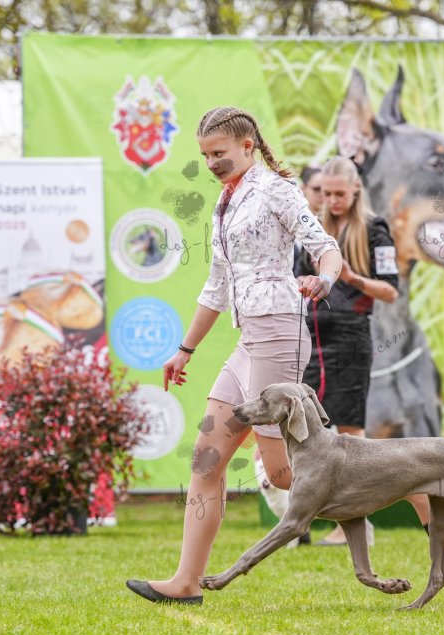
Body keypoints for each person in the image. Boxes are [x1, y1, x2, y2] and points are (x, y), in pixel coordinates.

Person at [125, 106, 343, 605]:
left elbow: (325, 247)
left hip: (279, 333)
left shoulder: (276, 190)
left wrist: (325, 279)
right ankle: (185, 583)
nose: (211, 163)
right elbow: (216, 287)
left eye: (218, 153)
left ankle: (399, 479)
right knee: (206, 460)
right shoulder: (225, 203)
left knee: (283, 474)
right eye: (205, 156)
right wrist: (184, 350)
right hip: (248, 341)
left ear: (248, 146)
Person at [295, 155, 431, 545]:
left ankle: (359, 523)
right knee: (310, 431)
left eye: (339, 194)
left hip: (351, 339)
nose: (332, 201)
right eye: (325, 193)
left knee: (352, 438)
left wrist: (352, 277)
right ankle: (305, 521)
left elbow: (389, 290)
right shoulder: (314, 228)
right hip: (311, 338)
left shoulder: (374, 229)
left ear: (356, 189)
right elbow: (296, 277)